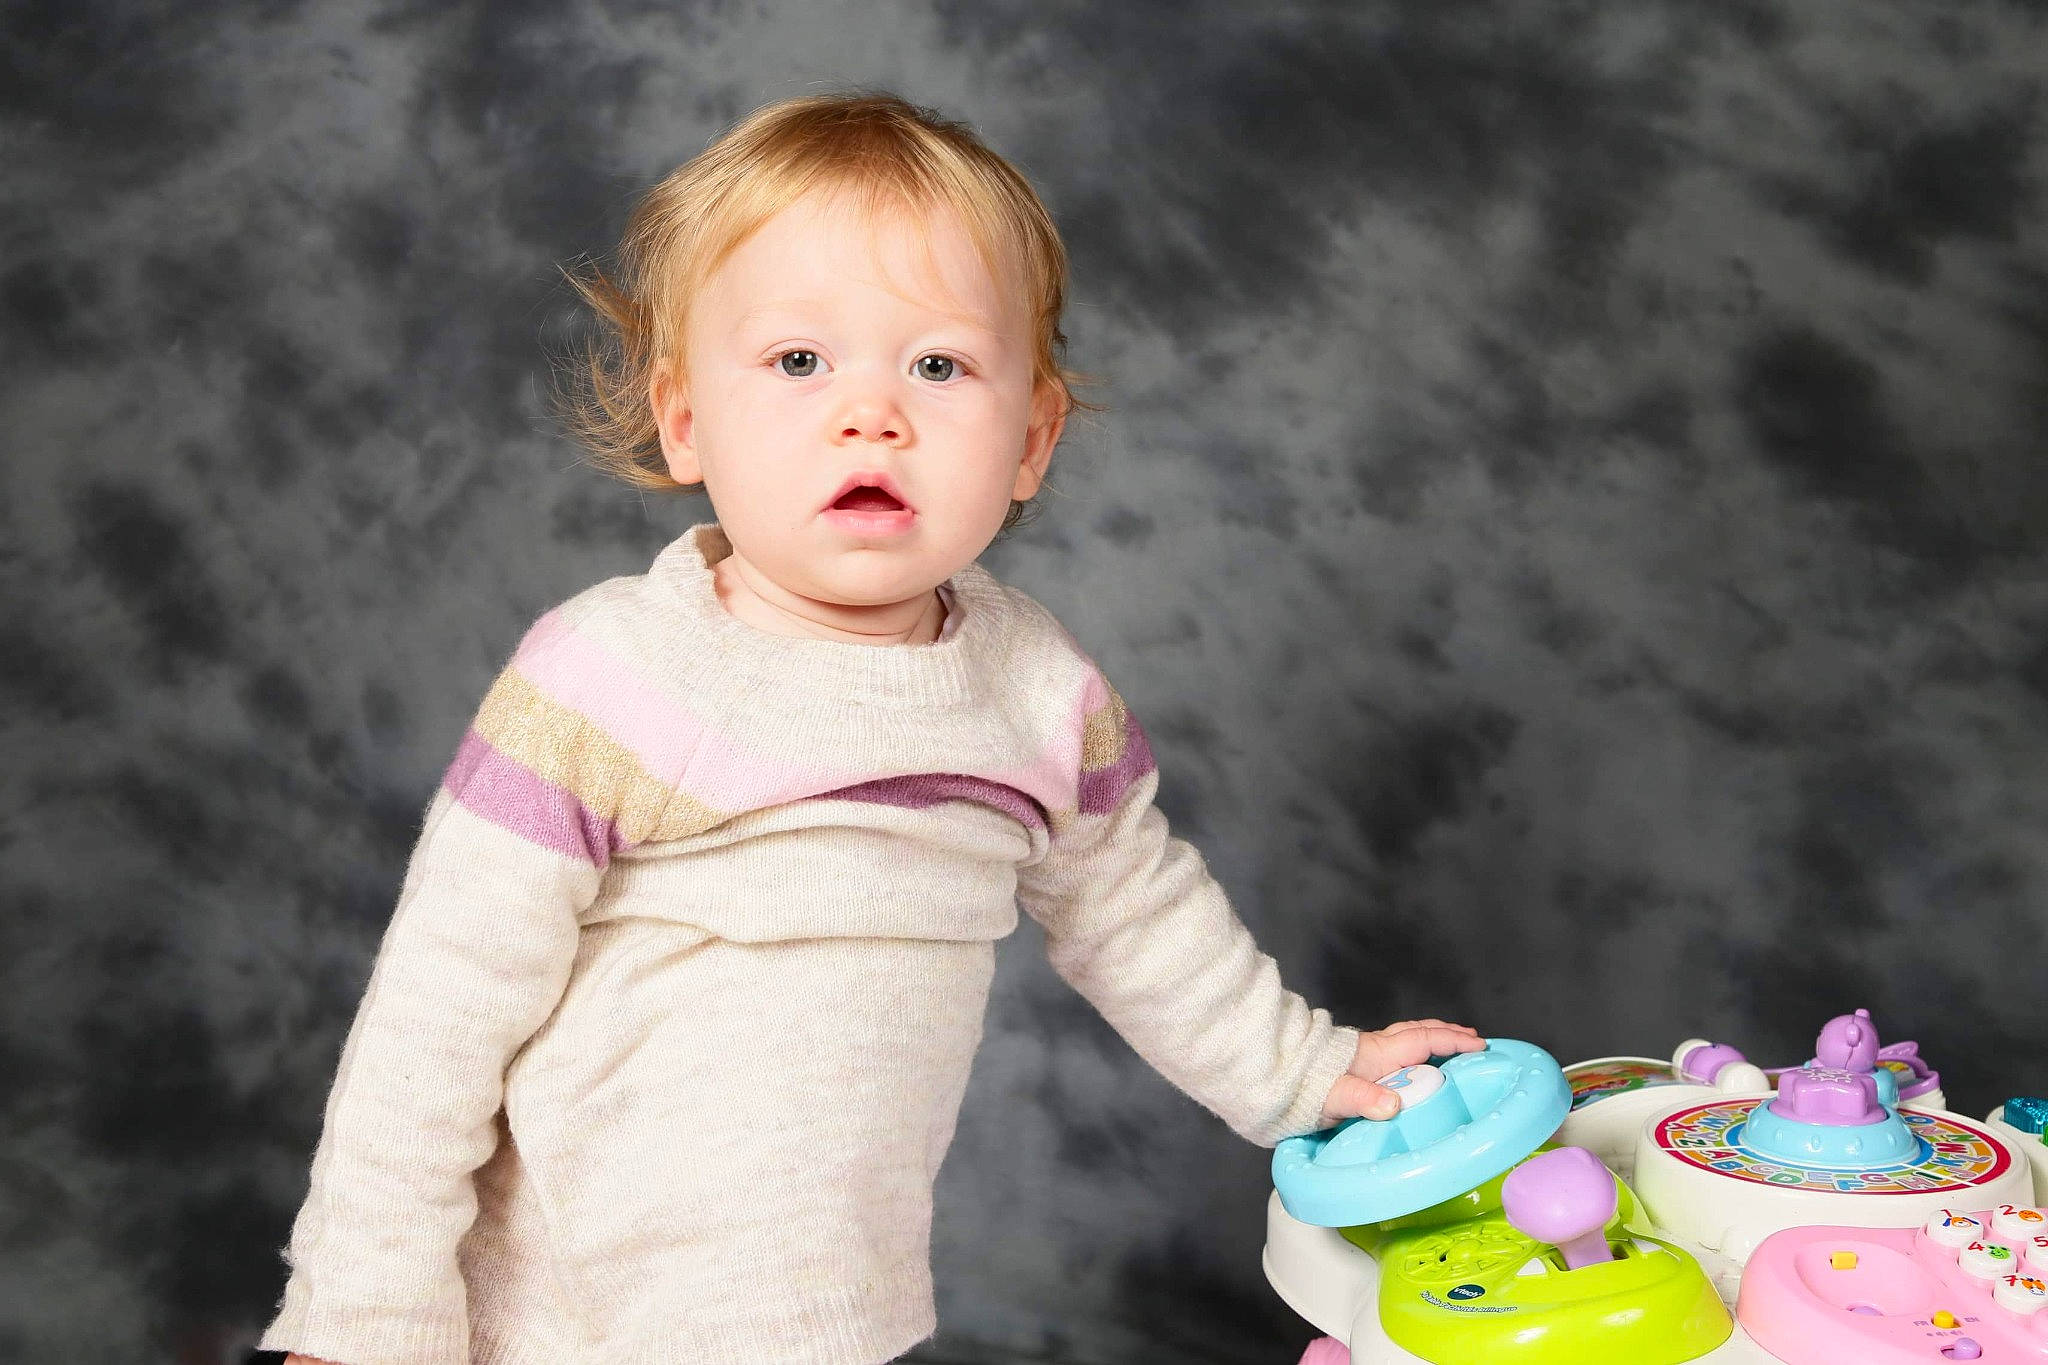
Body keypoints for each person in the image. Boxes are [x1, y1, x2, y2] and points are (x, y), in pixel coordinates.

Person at [261, 89, 1482, 1365]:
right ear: (684, 420)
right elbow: (433, 1017)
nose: (871, 414)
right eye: (798, 362)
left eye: (938, 365)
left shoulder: (1031, 691)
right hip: (562, 1314)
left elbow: (1138, 916)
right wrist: (367, 1318)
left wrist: (1301, 1072)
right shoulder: (616, 674)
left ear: (1031, 438)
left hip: (834, 1308)